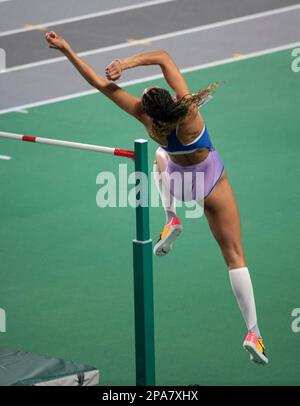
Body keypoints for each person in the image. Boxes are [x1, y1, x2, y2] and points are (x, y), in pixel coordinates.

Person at [45, 31, 268, 365]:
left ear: (150, 109)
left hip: (180, 183)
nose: (147, 89)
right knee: (235, 257)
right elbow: (163, 57)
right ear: (170, 101)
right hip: (211, 183)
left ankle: (171, 218)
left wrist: (67, 49)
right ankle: (254, 332)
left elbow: (97, 83)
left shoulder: (146, 119)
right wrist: (129, 62)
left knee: (160, 157)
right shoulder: (189, 112)